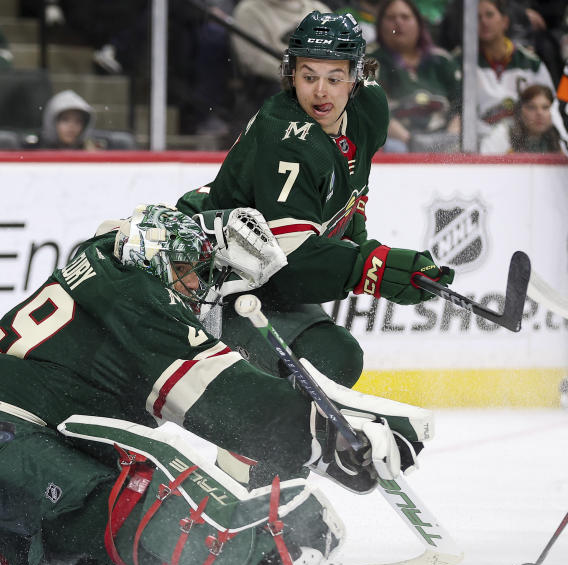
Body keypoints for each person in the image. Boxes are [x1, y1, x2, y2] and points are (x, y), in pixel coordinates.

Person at [0, 204, 429, 565]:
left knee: (71, 546)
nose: (195, 288)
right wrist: (330, 439)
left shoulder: (107, 257)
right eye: (188, 273)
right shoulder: (141, 301)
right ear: (159, 261)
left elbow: (159, 227)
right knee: (122, 496)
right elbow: (228, 405)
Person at [175, 10, 455, 392]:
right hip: (212, 278)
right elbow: (291, 265)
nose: (320, 91)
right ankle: (246, 442)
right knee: (328, 359)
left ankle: (256, 441)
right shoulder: (288, 136)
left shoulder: (369, 105)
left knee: (334, 356)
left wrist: (359, 244)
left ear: (357, 77)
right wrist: (373, 268)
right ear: (292, 75)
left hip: (259, 269)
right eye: (308, 76)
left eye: (334, 78)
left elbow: (349, 192)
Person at [464, 0, 558, 151]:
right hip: (481, 145)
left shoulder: (531, 63)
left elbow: (552, 109)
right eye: (477, 17)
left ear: (505, 21)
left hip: (526, 144)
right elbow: (458, 115)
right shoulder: (462, 63)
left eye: (489, 15)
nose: (484, 22)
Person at [369, 0, 461, 152]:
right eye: (391, 18)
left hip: (447, 140)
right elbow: (372, 110)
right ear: (380, 25)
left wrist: (450, 138)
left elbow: (463, 104)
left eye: (405, 17)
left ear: (419, 23)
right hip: (397, 143)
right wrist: (409, 140)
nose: (398, 22)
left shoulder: (442, 60)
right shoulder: (371, 62)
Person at [480, 83, 566, 153]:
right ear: (520, 111)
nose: (539, 113)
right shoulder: (503, 133)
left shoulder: (562, 136)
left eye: (545, 107)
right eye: (532, 107)